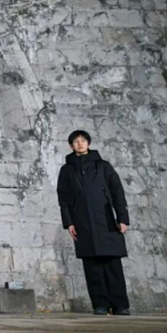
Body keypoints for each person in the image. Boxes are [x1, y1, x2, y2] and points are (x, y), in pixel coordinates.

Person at [57, 130, 131, 315]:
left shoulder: (103, 166)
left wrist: (122, 218)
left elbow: (117, 192)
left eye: (83, 140)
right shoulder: (67, 170)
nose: (80, 143)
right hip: (83, 222)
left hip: (106, 220)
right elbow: (64, 198)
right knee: (92, 265)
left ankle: (120, 305)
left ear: (88, 143)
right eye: (76, 141)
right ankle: (100, 304)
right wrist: (69, 222)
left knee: (113, 264)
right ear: (71, 146)